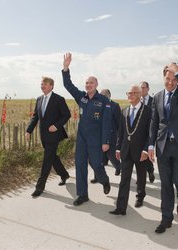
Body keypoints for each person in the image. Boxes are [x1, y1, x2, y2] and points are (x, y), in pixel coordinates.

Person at [148, 62, 178, 234]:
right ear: (163, 77)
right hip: (163, 146)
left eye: (173, 79)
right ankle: (166, 218)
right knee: (166, 185)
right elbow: (154, 122)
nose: (170, 83)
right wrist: (150, 145)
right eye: (168, 78)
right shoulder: (157, 97)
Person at [62, 52, 112, 206]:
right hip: (82, 138)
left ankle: (104, 180)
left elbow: (106, 123)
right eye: (86, 83)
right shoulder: (82, 97)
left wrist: (106, 141)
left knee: (96, 164)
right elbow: (68, 85)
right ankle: (82, 195)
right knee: (80, 165)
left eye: (91, 83)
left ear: (96, 85)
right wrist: (65, 68)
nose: (88, 85)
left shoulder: (104, 101)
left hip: (96, 140)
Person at [109, 84, 152, 215]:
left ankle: (140, 196)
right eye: (128, 93)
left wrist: (146, 150)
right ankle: (121, 207)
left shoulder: (148, 111)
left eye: (133, 93)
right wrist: (117, 148)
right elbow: (121, 132)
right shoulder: (125, 111)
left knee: (141, 176)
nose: (130, 95)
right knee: (124, 179)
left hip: (141, 152)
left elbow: (150, 133)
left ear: (139, 95)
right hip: (126, 150)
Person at [26, 76, 71, 198]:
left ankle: (40, 187)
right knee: (52, 157)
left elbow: (67, 114)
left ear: (51, 86)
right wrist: (28, 130)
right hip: (43, 136)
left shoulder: (58, 99)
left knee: (47, 159)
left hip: (54, 135)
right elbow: (36, 117)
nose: (42, 86)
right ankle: (64, 174)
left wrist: (56, 126)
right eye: (41, 84)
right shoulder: (39, 99)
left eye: (45, 84)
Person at [94, 89, 121, 178]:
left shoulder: (115, 105)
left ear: (109, 96)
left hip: (111, 136)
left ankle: (118, 167)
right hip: (99, 135)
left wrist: (119, 136)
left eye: (105, 95)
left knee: (112, 156)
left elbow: (118, 122)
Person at [139, 81, 155, 183]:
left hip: (150, 132)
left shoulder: (153, 101)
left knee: (147, 153)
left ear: (148, 89)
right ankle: (141, 177)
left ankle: (150, 171)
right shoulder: (136, 101)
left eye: (144, 88)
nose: (142, 90)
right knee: (139, 155)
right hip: (139, 132)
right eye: (140, 88)